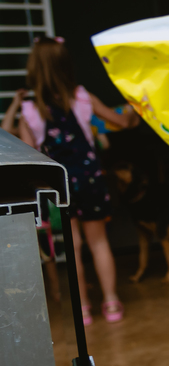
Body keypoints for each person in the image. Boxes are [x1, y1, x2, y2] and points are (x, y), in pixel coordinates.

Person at [11, 38, 137, 323]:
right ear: (67, 65)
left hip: (58, 185)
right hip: (90, 178)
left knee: (73, 246)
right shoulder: (82, 96)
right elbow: (122, 122)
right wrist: (134, 107)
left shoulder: (30, 109)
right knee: (100, 243)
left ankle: (83, 309)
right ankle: (112, 302)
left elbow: (29, 152)